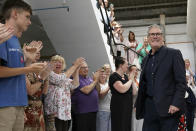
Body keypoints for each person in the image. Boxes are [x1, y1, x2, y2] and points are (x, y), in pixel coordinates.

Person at [0, 1, 46, 131]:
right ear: (15, 14)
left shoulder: (15, 40)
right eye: (27, 16)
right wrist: (28, 68)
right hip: (4, 105)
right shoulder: (3, 36)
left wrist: (27, 62)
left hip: (18, 104)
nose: (30, 22)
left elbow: (17, 74)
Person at [135, 24, 186, 131]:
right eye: (152, 34)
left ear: (162, 37)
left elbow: (181, 82)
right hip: (149, 110)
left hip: (169, 110)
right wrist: (138, 103)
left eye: (158, 34)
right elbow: (144, 85)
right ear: (148, 38)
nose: (155, 36)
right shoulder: (145, 60)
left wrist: (176, 103)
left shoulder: (174, 54)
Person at [44, 55, 84, 131]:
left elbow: (75, 85)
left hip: (64, 112)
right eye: (55, 62)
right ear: (51, 64)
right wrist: (75, 66)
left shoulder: (64, 76)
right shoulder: (49, 73)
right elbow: (59, 80)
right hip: (53, 112)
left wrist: (76, 69)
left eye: (61, 62)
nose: (58, 64)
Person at [24, 41, 51, 131]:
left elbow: (44, 92)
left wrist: (46, 76)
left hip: (39, 107)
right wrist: (42, 78)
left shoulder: (39, 70)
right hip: (28, 108)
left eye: (38, 53)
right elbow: (30, 91)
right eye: (35, 52)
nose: (37, 55)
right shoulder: (25, 69)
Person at [71, 61, 100, 131]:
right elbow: (86, 90)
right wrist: (95, 81)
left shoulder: (90, 78)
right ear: (78, 69)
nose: (86, 69)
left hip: (92, 111)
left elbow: (98, 91)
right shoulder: (75, 78)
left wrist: (96, 81)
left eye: (87, 67)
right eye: (83, 67)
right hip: (82, 112)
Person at [109, 57, 136, 131]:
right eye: (126, 64)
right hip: (118, 108)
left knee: (126, 127)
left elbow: (134, 92)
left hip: (127, 107)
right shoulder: (113, 76)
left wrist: (132, 79)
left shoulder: (127, 77)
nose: (128, 66)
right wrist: (131, 80)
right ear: (121, 65)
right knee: (119, 127)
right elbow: (122, 89)